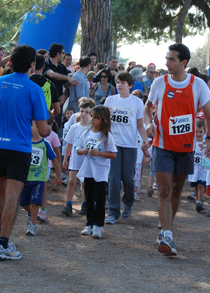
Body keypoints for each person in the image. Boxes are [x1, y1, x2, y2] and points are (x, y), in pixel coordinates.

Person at [0, 45, 50, 261]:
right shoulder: (34, 89)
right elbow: (43, 130)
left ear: (11, 61)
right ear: (32, 64)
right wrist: (50, 127)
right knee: (13, 195)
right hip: (20, 148)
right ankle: (3, 244)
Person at [144, 43, 210, 256]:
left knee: (176, 190)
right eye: (167, 59)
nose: (167, 63)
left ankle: (166, 229)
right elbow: (148, 107)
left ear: (183, 62)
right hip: (162, 145)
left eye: (172, 59)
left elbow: (209, 113)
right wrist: (149, 123)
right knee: (164, 190)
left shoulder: (197, 84)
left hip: (186, 147)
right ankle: (167, 234)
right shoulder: (160, 82)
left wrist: (209, 137)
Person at [103, 72, 149, 224]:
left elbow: (140, 125)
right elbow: (101, 123)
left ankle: (128, 202)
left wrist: (145, 140)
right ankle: (113, 211)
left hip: (129, 146)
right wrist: (105, 118)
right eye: (118, 82)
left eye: (123, 82)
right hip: (113, 145)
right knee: (114, 179)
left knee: (128, 179)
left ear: (130, 85)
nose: (119, 85)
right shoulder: (110, 100)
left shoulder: (136, 102)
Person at [77, 105, 117, 239]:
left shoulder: (106, 136)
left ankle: (98, 226)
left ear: (103, 120)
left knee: (99, 198)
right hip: (88, 171)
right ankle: (89, 224)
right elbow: (78, 148)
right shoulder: (87, 132)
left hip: (101, 172)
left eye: (96, 118)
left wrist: (99, 153)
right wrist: (83, 151)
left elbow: (113, 154)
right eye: (92, 116)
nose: (92, 119)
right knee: (88, 197)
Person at [20, 120, 61, 237]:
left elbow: (54, 160)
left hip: (38, 179)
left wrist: (58, 176)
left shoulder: (45, 144)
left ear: (38, 128)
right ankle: (32, 214)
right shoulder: (25, 143)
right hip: (25, 178)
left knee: (34, 202)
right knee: (23, 203)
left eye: (31, 126)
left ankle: (32, 226)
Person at [62, 98, 95, 216]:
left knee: (85, 182)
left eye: (86, 112)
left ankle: (85, 204)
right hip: (75, 158)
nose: (83, 114)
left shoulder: (93, 128)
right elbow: (69, 143)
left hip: (87, 159)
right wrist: (65, 158)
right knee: (71, 181)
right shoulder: (74, 127)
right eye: (81, 111)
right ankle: (68, 204)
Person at [190, 120, 210, 213]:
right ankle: (198, 200)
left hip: (203, 168)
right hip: (194, 168)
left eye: (201, 132)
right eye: (197, 131)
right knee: (196, 186)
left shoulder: (206, 143)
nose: (198, 134)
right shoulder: (192, 142)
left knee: (201, 185)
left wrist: (206, 166)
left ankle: (199, 202)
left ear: (204, 132)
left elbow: (209, 154)